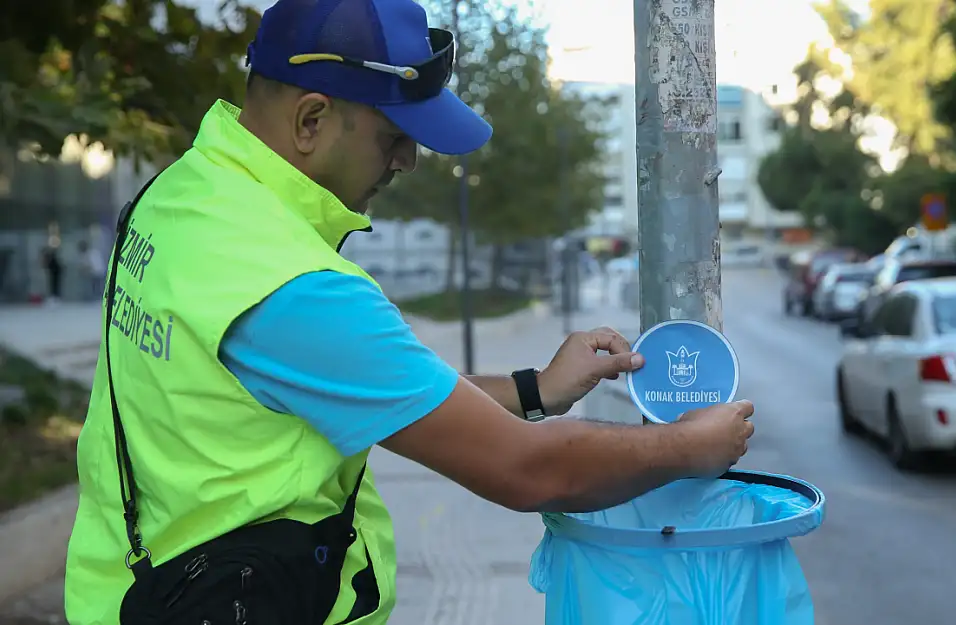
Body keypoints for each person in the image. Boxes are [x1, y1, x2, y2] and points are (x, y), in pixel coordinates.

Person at [63, 1, 758, 624]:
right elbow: (529, 471)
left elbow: (379, 389)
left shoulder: (182, 193)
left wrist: (537, 389)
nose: (411, 159)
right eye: (394, 133)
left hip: (133, 586)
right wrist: (687, 448)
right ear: (312, 119)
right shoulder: (292, 285)